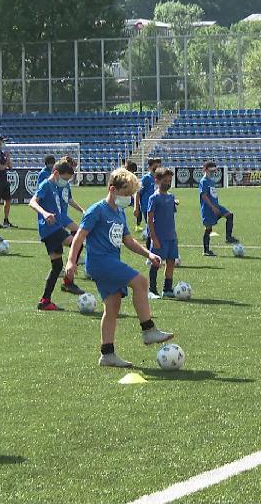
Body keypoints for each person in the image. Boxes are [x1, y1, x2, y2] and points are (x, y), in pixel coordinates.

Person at [63, 167, 174, 368]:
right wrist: (71, 261)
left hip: (110, 261)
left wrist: (148, 253)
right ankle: (148, 329)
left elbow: (129, 241)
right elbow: (79, 237)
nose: (128, 198)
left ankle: (107, 354)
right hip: (100, 262)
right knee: (140, 281)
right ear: (112, 189)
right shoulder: (96, 210)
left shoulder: (120, 213)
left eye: (131, 195)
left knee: (112, 307)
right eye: (126, 194)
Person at [30, 160, 85, 311]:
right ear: (55, 173)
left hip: (55, 227)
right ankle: (68, 281)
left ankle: (45, 301)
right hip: (50, 229)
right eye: (65, 179)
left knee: (57, 266)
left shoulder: (55, 186)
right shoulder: (46, 185)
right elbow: (32, 202)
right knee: (77, 242)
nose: (65, 182)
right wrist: (45, 213)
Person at [147, 167, 179, 298]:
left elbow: (171, 216)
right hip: (159, 237)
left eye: (169, 180)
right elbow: (150, 218)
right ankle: (152, 290)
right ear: (157, 180)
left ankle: (167, 289)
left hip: (171, 236)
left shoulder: (171, 197)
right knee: (156, 262)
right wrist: (153, 236)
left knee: (171, 262)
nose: (168, 183)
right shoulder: (154, 198)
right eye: (165, 180)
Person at [199, 161, 238, 255]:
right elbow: (204, 196)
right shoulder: (203, 181)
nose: (213, 173)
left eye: (214, 171)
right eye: (211, 171)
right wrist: (212, 207)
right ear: (205, 170)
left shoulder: (211, 181)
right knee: (208, 229)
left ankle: (228, 237)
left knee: (229, 215)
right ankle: (206, 251)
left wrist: (216, 206)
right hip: (208, 209)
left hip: (217, 206)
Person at [135, 157, 161, 232]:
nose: (157, 168)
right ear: (150, 167)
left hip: (157, 206)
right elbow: (138, 193)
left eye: (159, 167)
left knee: (155, 226)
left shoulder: (159, 178)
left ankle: (147, 235)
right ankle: (147, 236)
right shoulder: (146, 178)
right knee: (152, 226)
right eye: (155, 167)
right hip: (147, 207)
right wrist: (136, 208)